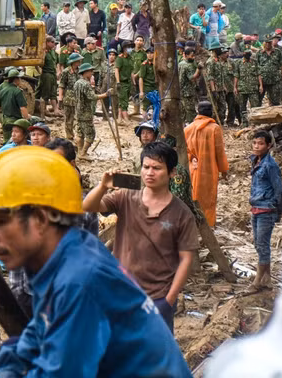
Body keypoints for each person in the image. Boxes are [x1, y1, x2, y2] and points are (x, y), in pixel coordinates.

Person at [0, 147, 191, 377]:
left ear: (41, 219)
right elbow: (45, 324)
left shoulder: (79, 281)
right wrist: (17, 352)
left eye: (1, 222)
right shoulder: (67, 256)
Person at [83, 142, 198, 333]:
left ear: (172, 173)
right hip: (121, 291)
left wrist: (169, 300)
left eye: (157, 168)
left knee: (154, 353)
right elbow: (88, 206)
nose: (149, 173)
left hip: (158, 296)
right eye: (146, 167)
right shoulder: (126, 196)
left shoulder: (182, 214)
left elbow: (186, 258)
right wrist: (103, 185)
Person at [247, 130, 282, 293]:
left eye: (260, 143)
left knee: (262, 245)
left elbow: (278, 189)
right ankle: (267, 279)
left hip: (266, 209)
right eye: (254, 143)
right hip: (256, 206)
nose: (256, 146)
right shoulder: (255, 160)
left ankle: (257, 282)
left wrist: (276, 210)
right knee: (259, 243)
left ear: (269, 145)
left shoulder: (270, 165)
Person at [184, 101, 229, 227]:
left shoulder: (188, 129)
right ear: (211, 112)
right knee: (208, 198)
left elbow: (183, 149)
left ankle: (192, 222)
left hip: (191, 168)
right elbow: (220, 152)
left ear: (198, 111)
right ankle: (207, 224)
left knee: (192, 195)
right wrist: (224, 170)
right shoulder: (214, 129)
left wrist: (191, 159)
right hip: (209, 170)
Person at [74, 62, 109, 159]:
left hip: (78, 112)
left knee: (80, 132)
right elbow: (92, 97)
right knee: (90, 134)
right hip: (86, 113)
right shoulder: (85, 84)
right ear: (85, 72)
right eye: (90, 71)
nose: (92, 73)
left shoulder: (77, 83)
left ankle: (80, 151)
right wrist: (105, 94)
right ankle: (83, 153)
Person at [0, 69, 30, 141]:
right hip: (15, 122)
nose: (20, 80)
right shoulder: (17, 91)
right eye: (19, 78)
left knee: (6, 142)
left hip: (5, 121)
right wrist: (27, 119)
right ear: (16, 79)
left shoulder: (2, 90)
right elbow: (23, 108)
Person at [256, 37, 282, 106]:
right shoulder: (259, 53)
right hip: (262, 80)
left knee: (275, 101)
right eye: (266, 43)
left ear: (272, 43)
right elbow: (256, 67)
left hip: (275, 80)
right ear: (264, 43)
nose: (268, 44)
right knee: (258, 100)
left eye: (269, 43)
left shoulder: (277, 52)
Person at [58, 52, 83, 139]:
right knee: (69, 118)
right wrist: (60, 98)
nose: (79, 62)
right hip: (68, 97)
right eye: (78, 60)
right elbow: (61, 85)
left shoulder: (80, 71)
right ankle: (69, 135)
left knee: (78, 117)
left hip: (78, 96)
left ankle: (78, 135)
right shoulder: (66, 72)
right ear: (74, 62)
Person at [234, 48, 260, 126]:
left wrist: (261, 85)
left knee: (255, 106)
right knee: (242, 107)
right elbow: (236, 76)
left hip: (253, 88)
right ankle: (244, 122)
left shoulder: (254, 62)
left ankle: (255, 122)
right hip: (242, 88)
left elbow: (258, 74)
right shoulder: (239, 63)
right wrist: (235, 87)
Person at [37, 36, 59, 115]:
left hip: (53, 74)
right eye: (52, 42)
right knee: (45, 93)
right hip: (46, 74)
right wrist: (40, 72)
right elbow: (38, 63)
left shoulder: (53, 52)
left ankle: (56, 110)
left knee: (53, 92)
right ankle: (43, 109)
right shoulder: (43, 52)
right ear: (47, 42)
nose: (54, 44)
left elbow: (56, 63)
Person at [179, 47, 201, 124]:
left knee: (183, 111)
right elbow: (192, 78)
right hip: (187, 92)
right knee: (190, 110)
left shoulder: (180, 63)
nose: (193, 57)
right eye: (192, 56)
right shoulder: (187, 65)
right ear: (186, 55)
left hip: (181, 91)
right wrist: (198, 69)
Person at [114, 40, 134, 122]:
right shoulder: (120, 58)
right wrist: (118, 82)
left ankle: (119, 118)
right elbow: (116, 70)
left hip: (128, 82)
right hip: (122, 82)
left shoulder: (130, 58)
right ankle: (126, 119)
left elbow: (131, 71)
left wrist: (134, 83)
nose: (129, 49)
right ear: (124, 48)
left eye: (130, 47)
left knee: (122, 101)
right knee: (124, 101)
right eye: (128, 47)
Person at [129, 36, 147, 116]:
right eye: (137, 40)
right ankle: (136, 110)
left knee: (142, 92)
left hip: (141, 76)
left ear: (143, 42)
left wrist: (137, 74)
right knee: (134, 93)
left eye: (141, 40)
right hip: (130, 74)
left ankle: (144, 110)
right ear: (134, 41)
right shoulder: (130, 51)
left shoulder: (144, 53)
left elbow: (144, 64)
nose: (139, 42)